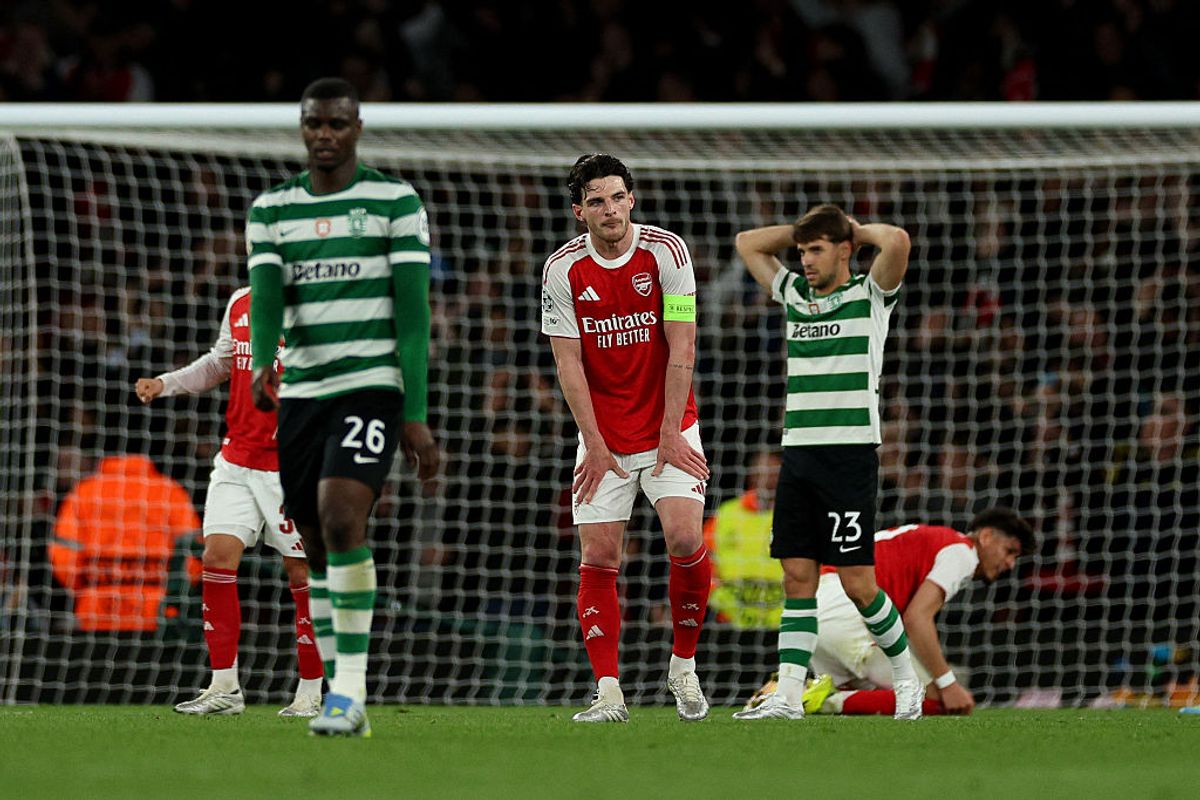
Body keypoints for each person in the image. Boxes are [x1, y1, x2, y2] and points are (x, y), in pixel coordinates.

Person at [247, 77, 439, 737]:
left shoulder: (394, 200)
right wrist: (263, 357)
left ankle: (347, 692)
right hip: (303, 394)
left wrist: (413, 410)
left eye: (336, 123)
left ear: (356, 127)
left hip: (370, 385)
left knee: (339, 515)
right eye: (313, 124)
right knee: (318, 545)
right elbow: (267, 295)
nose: (324, 134)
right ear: (302, 130)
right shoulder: (271, 209)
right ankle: (339, 691)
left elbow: (413, 318)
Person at [732, 203, 923, 720]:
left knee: (860, 584)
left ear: (845, 252)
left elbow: (898, 241)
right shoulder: (793, 294)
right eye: (800, 252)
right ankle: (789, 698)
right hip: (798, 455)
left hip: (848, 456)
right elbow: (748, 242)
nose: (805, 261)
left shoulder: (870, 295)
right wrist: (800, 233)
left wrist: (853, 232)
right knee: (797, 577)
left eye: (817, 250)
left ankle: (908, 678)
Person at [541, 153, 713, 723]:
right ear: (579, 211)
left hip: (669, 424)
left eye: (617, 197)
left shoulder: (667, 252)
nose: (609, 210)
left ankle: (683, 670)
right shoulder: (562, 269)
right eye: (596, 201)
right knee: (598, 554)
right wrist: (593, 442)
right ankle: (608, 691)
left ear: (630, 199)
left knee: (686, 538)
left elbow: (682, 345)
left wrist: (669, 433)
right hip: (603, 437)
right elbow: (568, 365)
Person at [136, 285, 324, 718]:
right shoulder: (242, 301)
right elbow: (222, 362)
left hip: (292, 466)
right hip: (237, 461)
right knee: (217, 559)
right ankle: (224, 688)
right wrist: (166, 384)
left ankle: (311, 692)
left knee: (301, 572)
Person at [779, 507, 1036, 716]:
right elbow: (916, 620)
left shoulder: (933, 540)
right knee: (936, 700)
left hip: (819, 611)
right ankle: (812, 699)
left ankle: (805, 694)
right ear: (987, 537)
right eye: (1010, 551)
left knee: (868, 701)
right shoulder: (962, 552)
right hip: (846, 612)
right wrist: (948, 683)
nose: (1010, 564)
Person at [50, 449, 201, 633]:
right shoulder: (171, 491)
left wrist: (86, 588)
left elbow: (64, 557)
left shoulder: (84, 492)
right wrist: (175, 590)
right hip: (160, 613)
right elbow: (195, 553)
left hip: (98, 613)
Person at [704, 449, 784, 630]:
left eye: (774, 472)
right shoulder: (725, 514)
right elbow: (704, 561)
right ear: (751, 475)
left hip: (784, 619)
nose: (769, 479)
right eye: (763, 472)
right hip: (728, 618)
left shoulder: (800, 514)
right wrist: (719, 598)